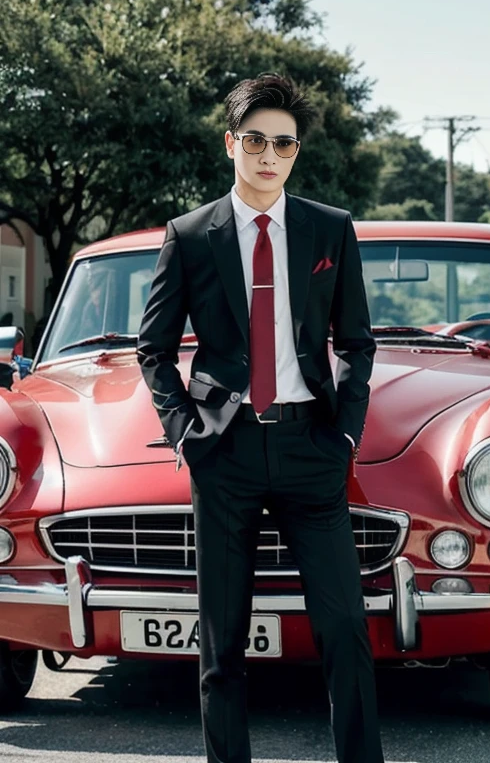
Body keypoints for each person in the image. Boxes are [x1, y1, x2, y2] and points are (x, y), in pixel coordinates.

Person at [137, 73, 383, 763]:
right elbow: (152, 349)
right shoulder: (189, 236)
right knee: (222, 644)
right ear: (231, 145)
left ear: (295, 152)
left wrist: (345, 435)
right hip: (226, 453)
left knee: (345, 629)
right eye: (255, 140)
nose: (268, 154)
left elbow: (357, 342)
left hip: (313, 447)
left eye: (283, 143)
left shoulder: (330, 228)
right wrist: (187, 433)